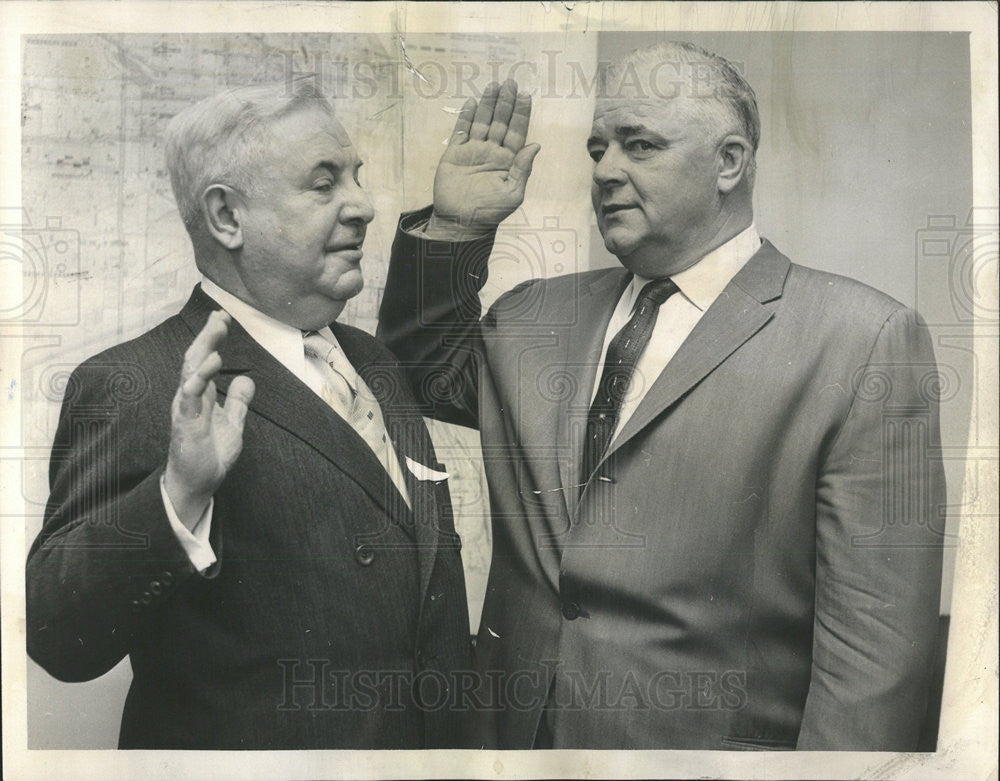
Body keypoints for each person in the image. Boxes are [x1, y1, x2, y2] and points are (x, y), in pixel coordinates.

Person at [378, 42, 946, 750]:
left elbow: (876, 653)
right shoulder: (531, 316)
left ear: (730, 162)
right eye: (598, 149)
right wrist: (457, 226)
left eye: (640, 145)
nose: (607, 170)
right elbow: (413, 372)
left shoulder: (862, 338)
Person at [26, 81, 471, 749]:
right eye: (324, 184)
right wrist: (176, 497)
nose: (365, 206)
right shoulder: (137, 382)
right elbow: (59, 636)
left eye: (355, 176)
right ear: (227, 218)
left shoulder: (376, 363)